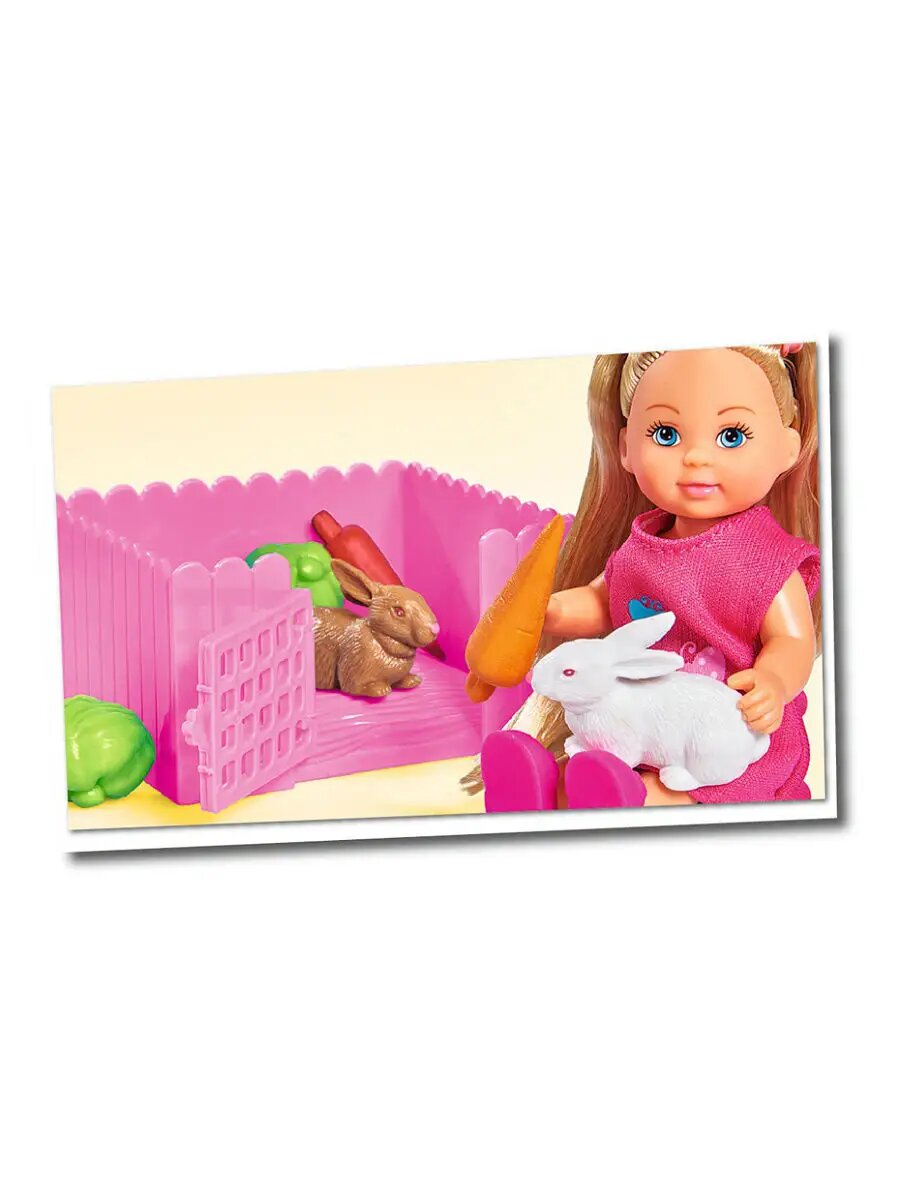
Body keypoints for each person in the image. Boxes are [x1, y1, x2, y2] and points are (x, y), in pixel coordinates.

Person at [462, 344, 821, 809]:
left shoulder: (765, 559)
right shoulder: (642, 545)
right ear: (625, 448)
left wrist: (773, 681)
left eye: (731, 436)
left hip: (721, 732)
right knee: (585, 774)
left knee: (656, 794)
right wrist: (546, 611)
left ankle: (611, 809)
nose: (696, 457)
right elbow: (602, 601)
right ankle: (537, 796)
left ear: (788, 448)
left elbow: (792, 640)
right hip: (638, 718)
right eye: (666, 434)